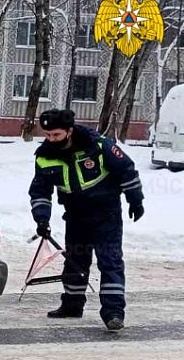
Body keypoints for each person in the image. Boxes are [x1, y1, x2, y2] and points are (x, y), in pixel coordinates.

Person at [29, 108, 144, 331]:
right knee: (75, 261)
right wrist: (42, 219)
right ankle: (72, 305)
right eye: (47, 135)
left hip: (106, 214)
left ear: (69, 131)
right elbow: (40, 191)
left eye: (56, 135)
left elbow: (126, 170)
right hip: (75, 215)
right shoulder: (44, 157)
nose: (51, 139)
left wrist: (135, 200)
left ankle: (113, 313)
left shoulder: (99, 146)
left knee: (109, 261)